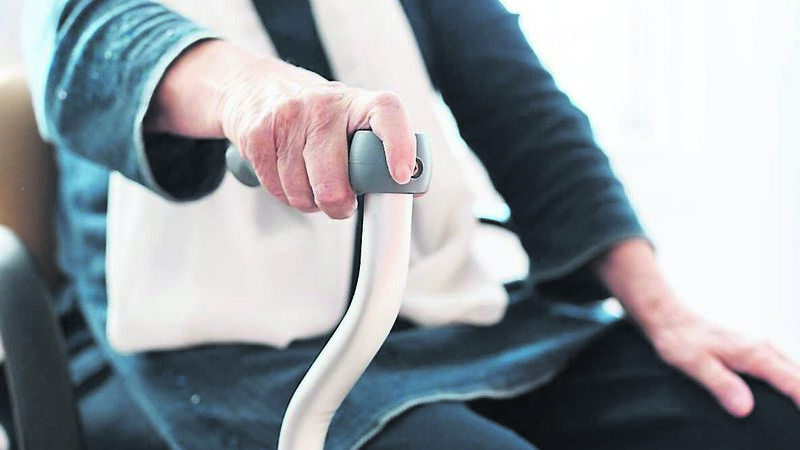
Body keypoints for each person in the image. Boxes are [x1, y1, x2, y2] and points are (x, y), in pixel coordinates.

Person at [15, 0, 800, 448]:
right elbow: (93, 40)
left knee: (764, 421)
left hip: (427, 315)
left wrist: (668, 315)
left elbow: (524, 115)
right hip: (202, 355)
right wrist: (252, 95)